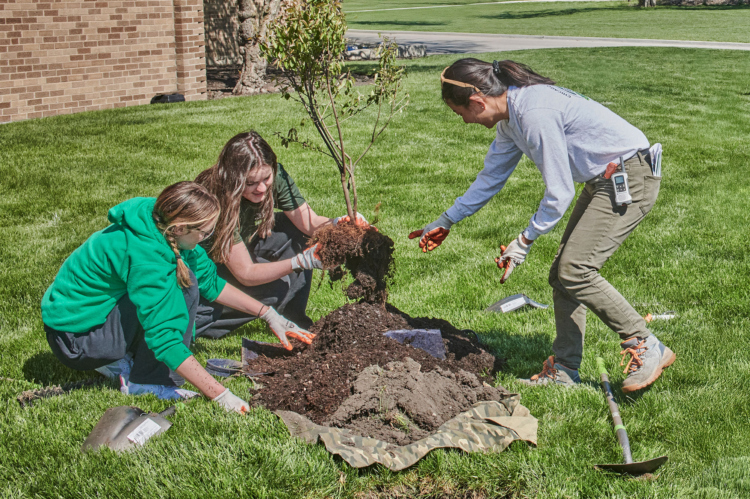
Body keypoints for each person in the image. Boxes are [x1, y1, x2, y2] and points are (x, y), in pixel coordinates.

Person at [411, 58, 674, 392]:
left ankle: (646, 344)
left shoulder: (533, 113)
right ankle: (565, 371)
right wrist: (446, 221)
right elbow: (489, 179)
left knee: (576, 269)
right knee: (563, 275)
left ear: (477, 102)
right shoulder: (512, 120)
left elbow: (559, 192)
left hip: (629, 178)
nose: (464, 121)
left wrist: (524, 240)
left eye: (460, 112)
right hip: (605, 179)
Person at [42, 181, 314, 407]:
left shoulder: (161, 222)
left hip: (88, 322)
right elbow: (165, 339)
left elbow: (211, 283)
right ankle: (146, 381)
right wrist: (220, 394)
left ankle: (121, 360)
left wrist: (268, 314)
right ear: (181, 228)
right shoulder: (148, 257)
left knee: (190, 281)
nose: (205, 239)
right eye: (204, 233)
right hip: (77, 340)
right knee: (183, 287)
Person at [193, 131, 366, 339]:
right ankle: (214, 319)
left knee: (299, 234)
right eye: (250, 183)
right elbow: (245, 274)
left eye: (266, 178)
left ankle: (294, 318)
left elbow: (308, 222)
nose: (261, 188)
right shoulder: (215, 198)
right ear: (233, 179)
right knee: (276, 287)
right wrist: (299, 262)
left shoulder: (275, 176)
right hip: (209, 268)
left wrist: (340, 223)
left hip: (245, 243)